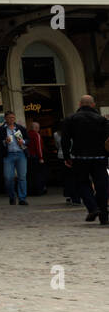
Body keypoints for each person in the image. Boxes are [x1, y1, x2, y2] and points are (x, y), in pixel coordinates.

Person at [58, 95, 109, 225]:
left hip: (80, 156)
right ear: (93, 105)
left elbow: (64, 140)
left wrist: (67, 156)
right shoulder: (102, 120)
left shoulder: (71, 119)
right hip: (100, 156)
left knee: (82, 183)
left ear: (80, 104)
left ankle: (92, 208)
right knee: (102, 185)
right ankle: (104, 216)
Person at [0, 110, 29, 206]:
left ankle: (22, 198)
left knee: (22, 177)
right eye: (9, 118)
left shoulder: (20, 128)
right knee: (8, 178)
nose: (11, 119)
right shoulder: (1, 130)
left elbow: (28, 140)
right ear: (5, 118)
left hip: (20, 154)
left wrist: (23, 142)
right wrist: (5, 142)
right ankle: (12, 196)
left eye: (13, 117)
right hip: (8, 155)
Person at [26, 119, 47, 197]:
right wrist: (41, 157)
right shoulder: (36, 135)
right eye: (38, 127)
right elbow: (39, 147)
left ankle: (30, 191)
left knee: (30, 174)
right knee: (38, 175)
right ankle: (38, 191)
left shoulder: (27, 134)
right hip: (35, 157)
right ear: (36, 128)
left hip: (28, 158)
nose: (39, 129)